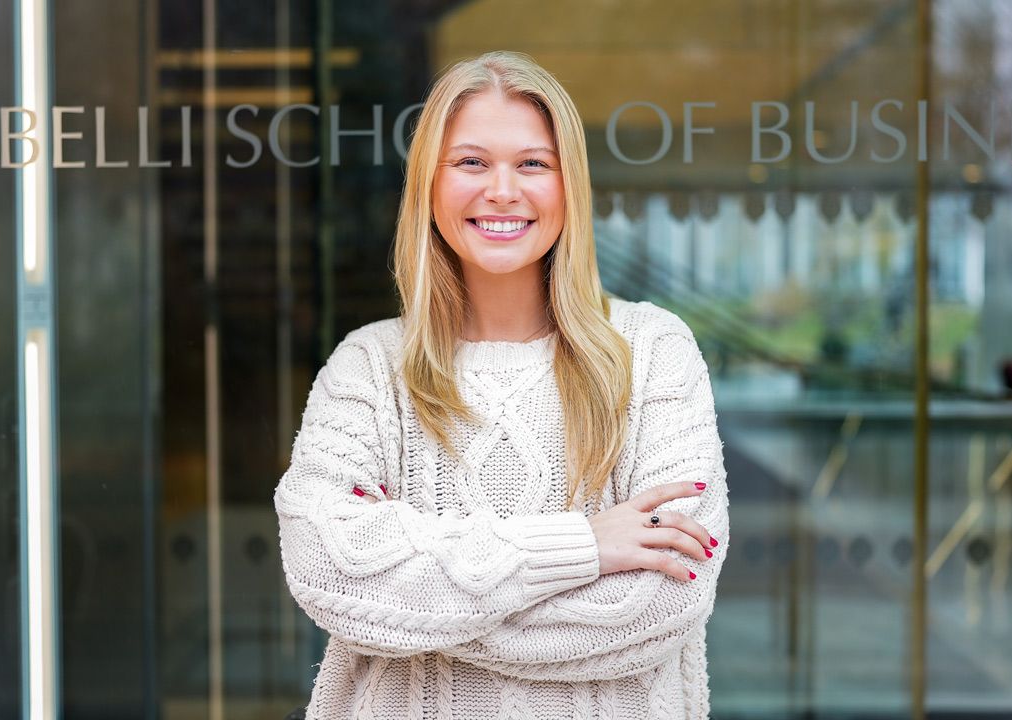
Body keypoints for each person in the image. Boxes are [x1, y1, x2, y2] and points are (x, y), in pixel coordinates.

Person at [273, 49, 729, 720]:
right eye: (471, 162)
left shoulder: (653, 352)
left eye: (533, 164)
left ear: (569, 182)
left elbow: (662, 603)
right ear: (429, 183)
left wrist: (419, 610)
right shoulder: (368, 367)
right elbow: (326, 567)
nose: (503, 191)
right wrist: (584, 546)